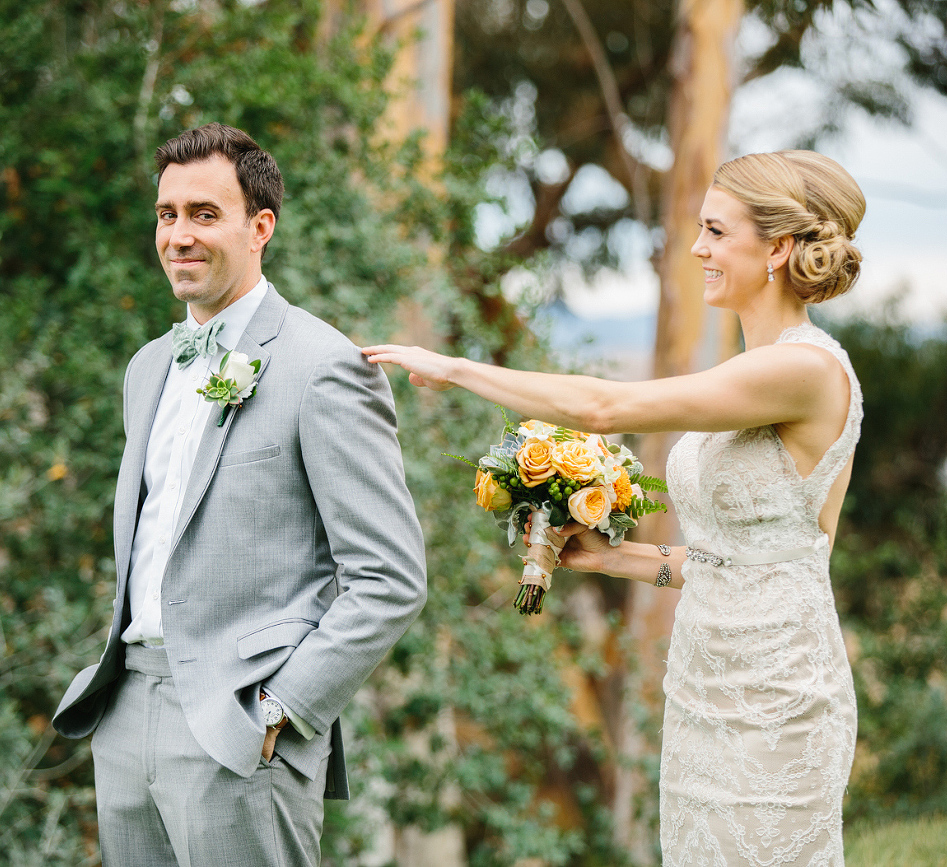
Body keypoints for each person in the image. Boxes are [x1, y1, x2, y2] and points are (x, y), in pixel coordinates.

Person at [364, 150, 864, 866]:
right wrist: (614, 557)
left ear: (778, 248)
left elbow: (604, 407)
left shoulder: (805, 368)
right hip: (705, 679)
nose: (697, 248)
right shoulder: (759, 368)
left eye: (716, 232)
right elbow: (748, 557)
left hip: (778, 692)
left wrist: (453, 367)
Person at [52, 122, 427, 867]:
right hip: (125, 711)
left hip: (240, 724)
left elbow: (390, 577)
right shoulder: (147, 367)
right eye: (167, 215)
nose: (178, 236)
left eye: (203, 214)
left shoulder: (325, 367)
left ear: (260, 228)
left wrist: (281, 708)